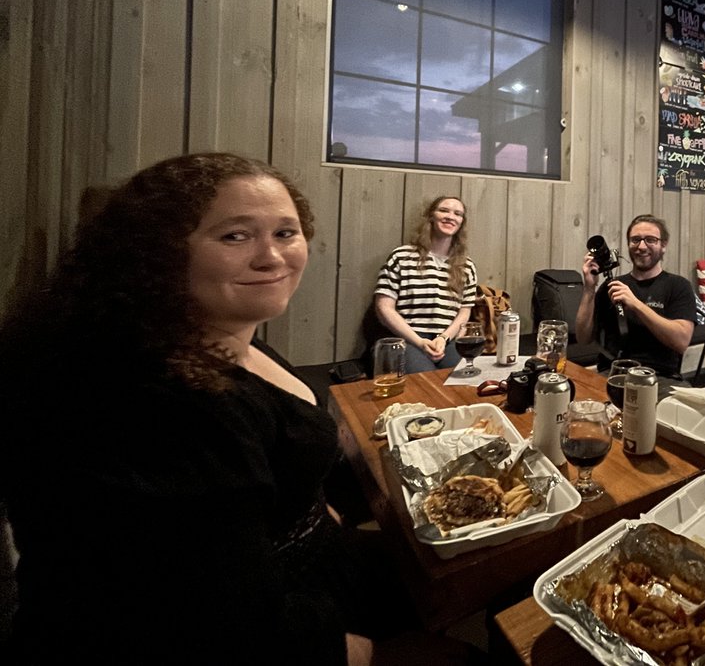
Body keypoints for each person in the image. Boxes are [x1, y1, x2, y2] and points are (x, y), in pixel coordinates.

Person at [0, 153, 443, 664]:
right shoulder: (160, 402)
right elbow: (219, 623)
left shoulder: (227, 339)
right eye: (236, 236)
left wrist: (318, 507)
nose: (272, 257)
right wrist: (368, 655)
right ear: (156, 253)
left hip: (313, 564)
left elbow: (265, 478)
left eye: (285, 233)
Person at [575, 214, 695, 378]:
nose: (642, 246)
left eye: (651, 240)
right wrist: (589, 288)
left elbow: (681, 342)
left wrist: (636, 304)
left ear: (663, 245)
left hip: (657, 377)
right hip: (611, 373)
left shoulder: (678, 285)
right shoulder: (612, 286)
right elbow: (583, 338)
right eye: (635, 240)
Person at [373, 196, 478, 372]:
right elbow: (384, 308)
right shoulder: (401, 257)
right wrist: (420, 341)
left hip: (447, 340)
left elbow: (464, 311)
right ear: (431, 216)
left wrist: (444, 338)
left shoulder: (467, 265)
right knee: (425, 381)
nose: (450, 217)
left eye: (457, 214)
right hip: (407, 339)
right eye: (443, 210)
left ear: (461, 223)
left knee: (465, 378)